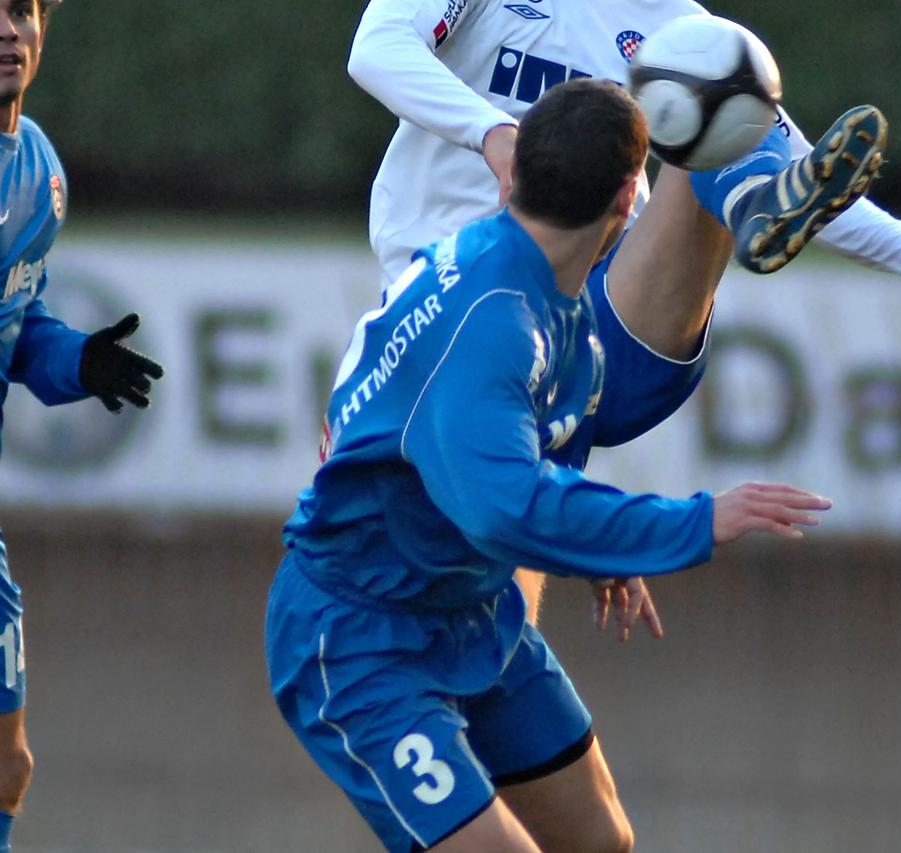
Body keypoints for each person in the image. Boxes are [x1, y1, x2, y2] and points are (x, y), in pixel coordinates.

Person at [346, 0, 901, 631]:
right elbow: (376, 47)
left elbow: (800, 164)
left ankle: (751, 207)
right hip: (449, 334)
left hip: (593, 341)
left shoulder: (675, 27)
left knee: (714, 74)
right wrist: (493, 132)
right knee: (482, 617)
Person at [266, 78, 833, 852]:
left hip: (471, 608)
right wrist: (698, 520)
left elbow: (521, 455)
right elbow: (507, 505)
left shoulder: (540, 284)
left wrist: (595, 546)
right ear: (629, 198)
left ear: (518, 168)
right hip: (361, 640)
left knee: (602, 841)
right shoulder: (496, 321)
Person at [0, 0, 165, 848]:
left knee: (7, 765)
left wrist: (76, 361)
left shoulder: (39, 172)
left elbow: (15, 327)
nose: (8, 29)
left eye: (21, 9)